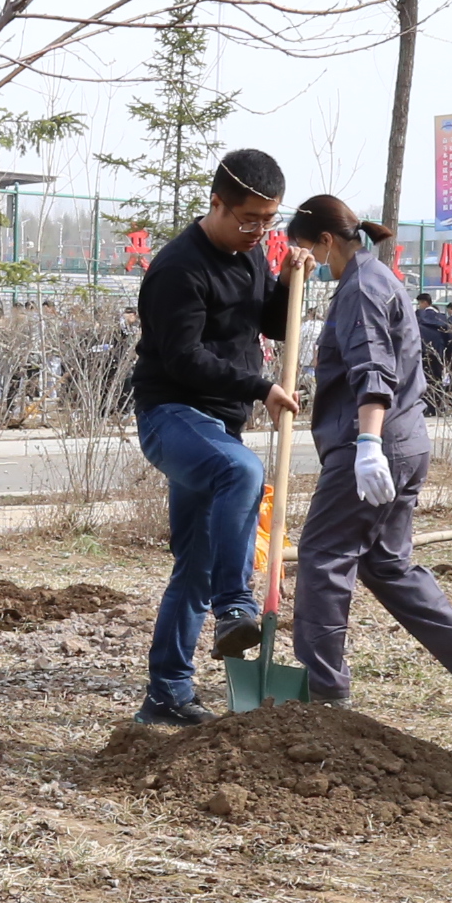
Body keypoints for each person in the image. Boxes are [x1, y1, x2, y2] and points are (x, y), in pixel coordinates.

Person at [283, 194, 452, 711]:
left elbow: (373, 372)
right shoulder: (377, 278)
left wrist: (368, 445)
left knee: (324, 556)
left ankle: (323, 688)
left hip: (374, 443)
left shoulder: (361, 288)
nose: (307, 260)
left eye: (307, 249)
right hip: (405, 442)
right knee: (384, 563)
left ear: (326, 240)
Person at [127, 146, 298, 726]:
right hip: (171, 415)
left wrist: (290, 280)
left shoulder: (251, 255)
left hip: (219, 426)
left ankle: (166, 694)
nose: (258, 231)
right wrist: (260, 386)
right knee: (241, 471)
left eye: (268, 220)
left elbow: (268, 321)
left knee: (196, 563)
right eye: (248, 219)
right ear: (217, 204)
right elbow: (183, 358)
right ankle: (234, 606)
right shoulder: (179, 268)